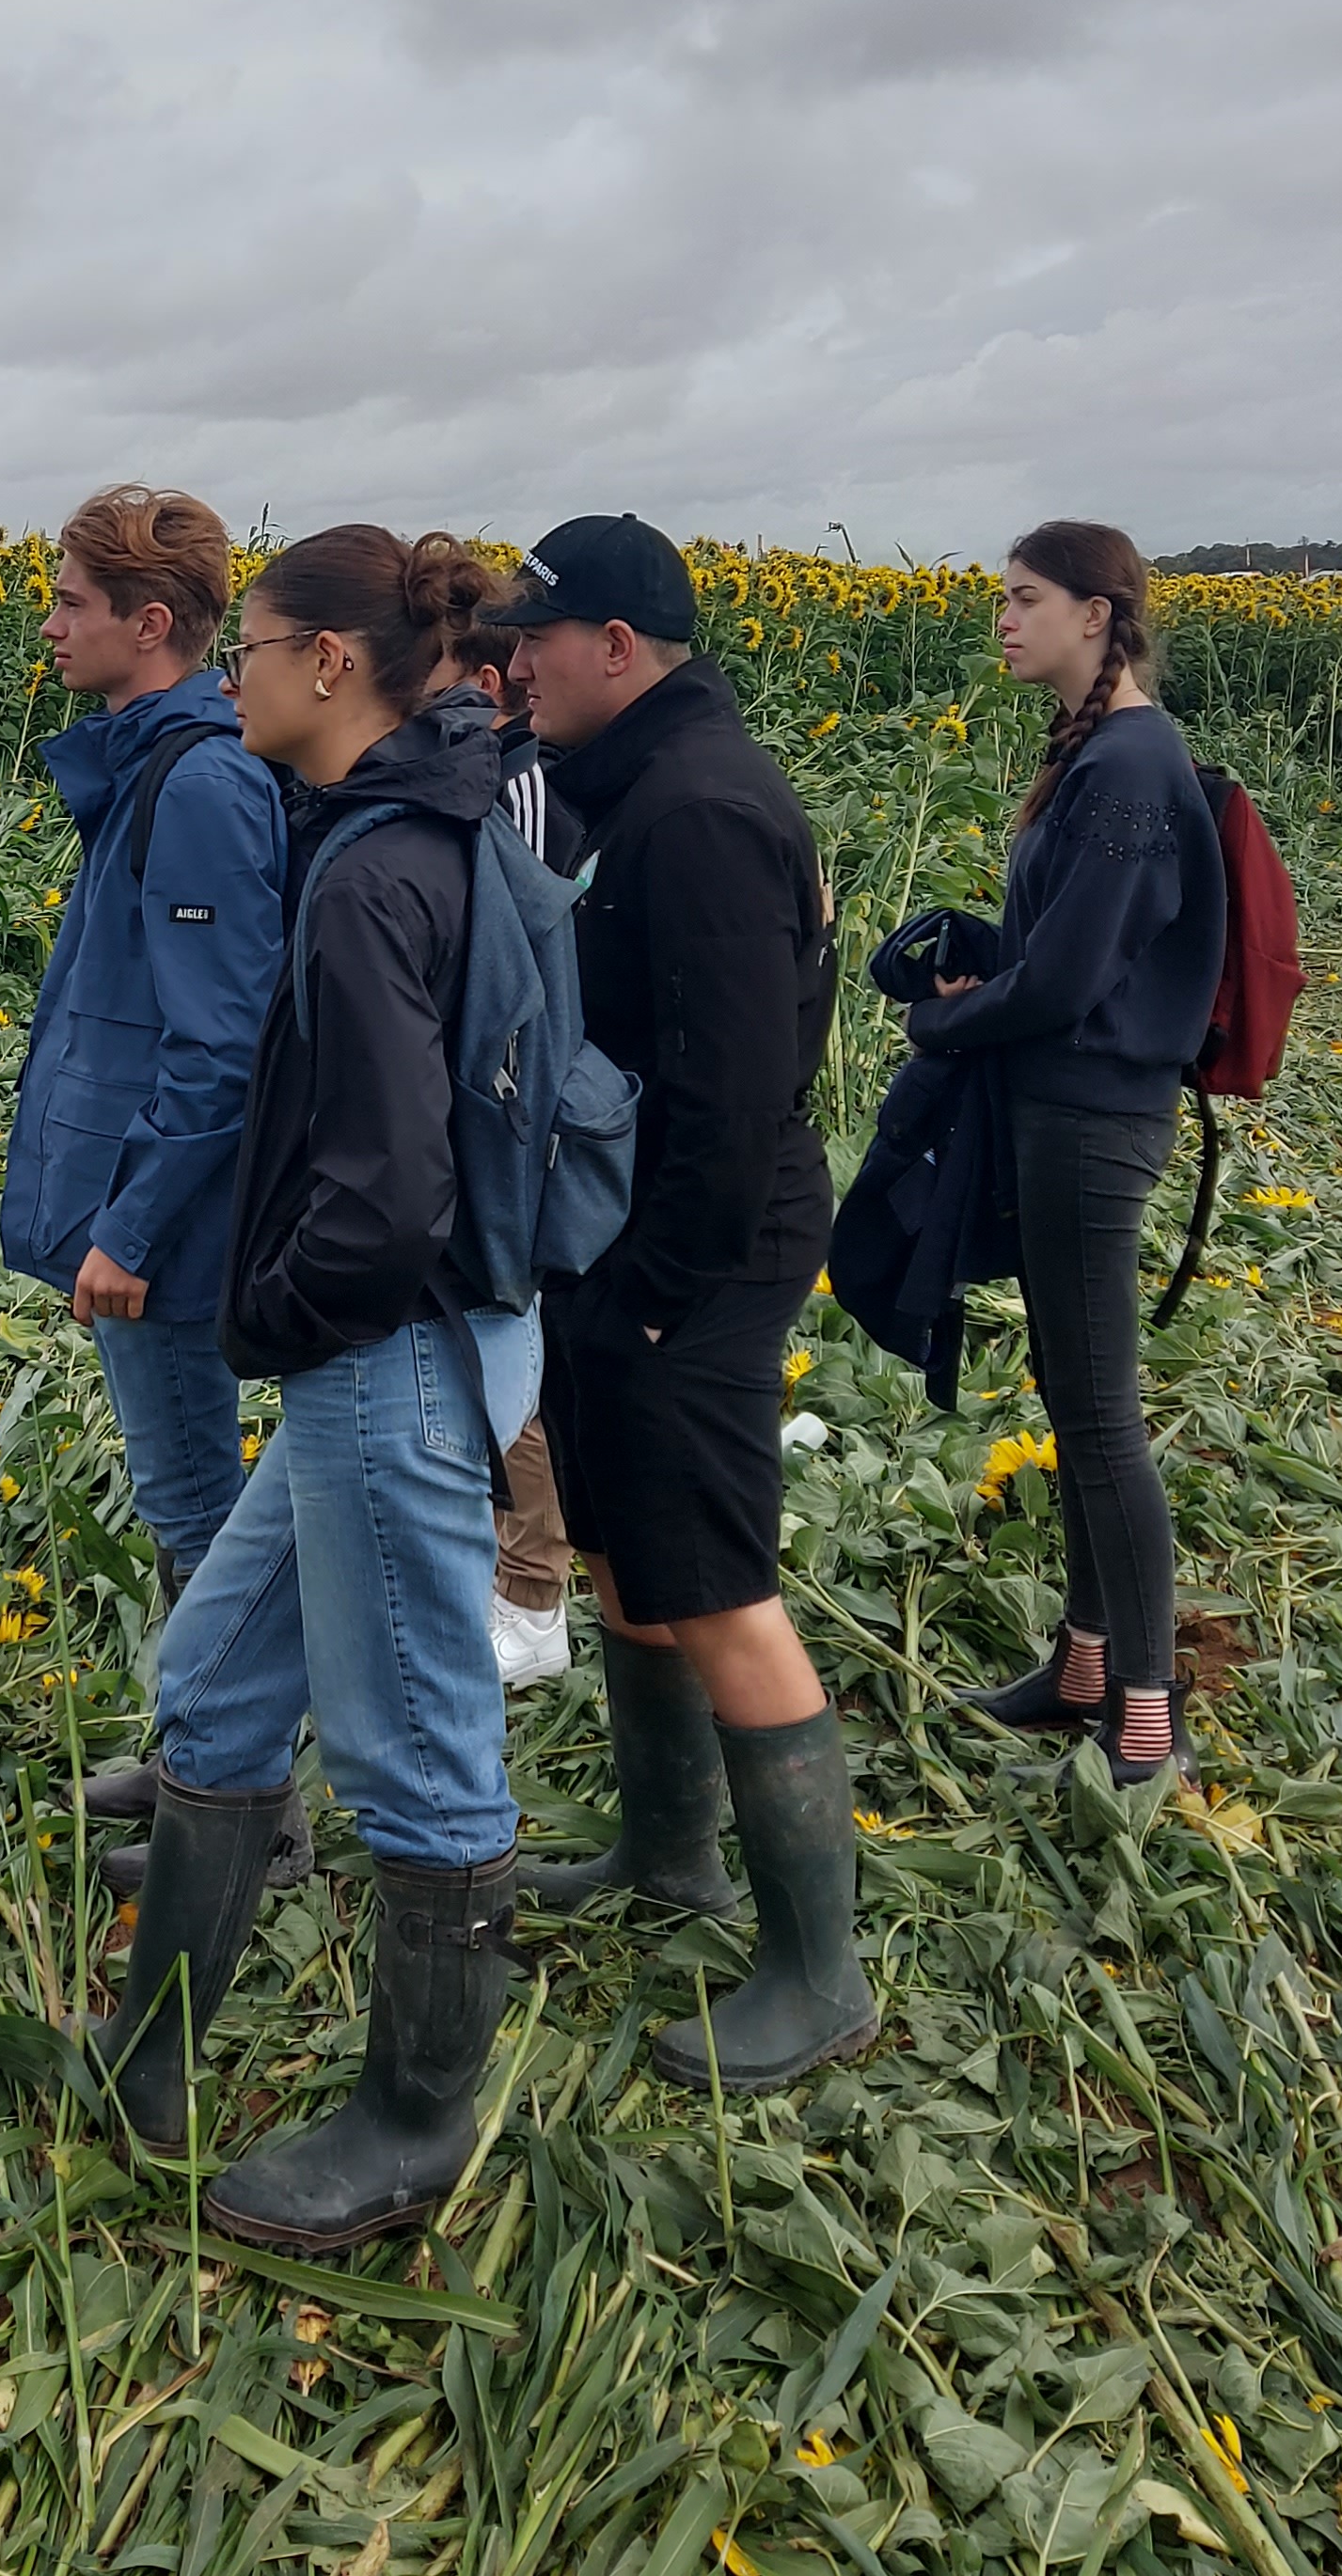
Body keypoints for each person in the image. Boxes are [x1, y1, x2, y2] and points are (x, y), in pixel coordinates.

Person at [89, 524, 530, 2254]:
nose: (235, 680)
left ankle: (414, 2126)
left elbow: (389, 1191)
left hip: (385, 1355)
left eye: (255, 648)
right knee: (211, 1672)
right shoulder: (437, 817)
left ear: (330, 663)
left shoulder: (368, 876)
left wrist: (272, 1316)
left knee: (414, 1747)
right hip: (420, 1339)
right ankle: (152, 2052)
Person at [501, 513, 873, 2094]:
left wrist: (655, 1296)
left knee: (717, 1583)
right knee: (625, 1547)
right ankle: (668, 1856)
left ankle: (820, 1974)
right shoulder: (637, 783)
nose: (512, 664)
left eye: (533, 637)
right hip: (628, 1244)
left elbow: (735, 1093)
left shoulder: (702, 810)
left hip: (693, 1255)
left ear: (615, 646)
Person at [0, 489, 302, 1877]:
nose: (50, 625)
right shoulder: (153, 765)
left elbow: (220, 1043)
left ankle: (244, 1817)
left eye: (72, 601)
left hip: (166, 1218)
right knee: (184, 1494)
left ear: (152, 622)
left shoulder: (199, 783)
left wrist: (126, 1229)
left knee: (195, 1504)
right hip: (137, 1195)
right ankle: (203, 1764)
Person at [905, 522, 1225, 1783]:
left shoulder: (1132, 762)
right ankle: (1085, 1661)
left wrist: (944, 1020)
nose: (1003, 617)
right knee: (1072, 1392)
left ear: (1097, 614)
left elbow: (1071, 979)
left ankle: (1146, 1713)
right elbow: (1068, 948)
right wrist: (978, 958)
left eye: (1025, 597)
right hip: (1061, 1103)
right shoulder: (1092, 750)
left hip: (1094, 1118)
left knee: (1097, 1412)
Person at [438, 587, 587, 1691]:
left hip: (520, 1128)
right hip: (506, 1126)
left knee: (509, 1359)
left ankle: (533, 1591)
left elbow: (519, 987)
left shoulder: (513, 793)